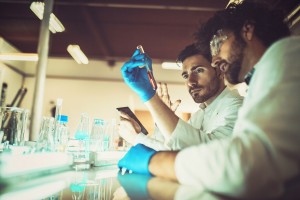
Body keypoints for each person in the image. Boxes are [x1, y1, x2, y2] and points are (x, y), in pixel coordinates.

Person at [118, 1, 300, 199]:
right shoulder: (265, 76)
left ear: (247, 30)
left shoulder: (287, 58)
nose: (215, 60)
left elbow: (242, 167)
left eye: (217, 44)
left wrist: (152, 161)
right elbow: (185, 149)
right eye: (186, 75)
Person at [119, 43, 243, 151]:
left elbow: (205, 154)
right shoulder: (200, 115)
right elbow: (172, 151)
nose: (190, 81)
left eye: (199, 70)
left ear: (219, 71)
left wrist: (151, 97)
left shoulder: (237, 107)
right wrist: (161, 117)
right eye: (185, 75)